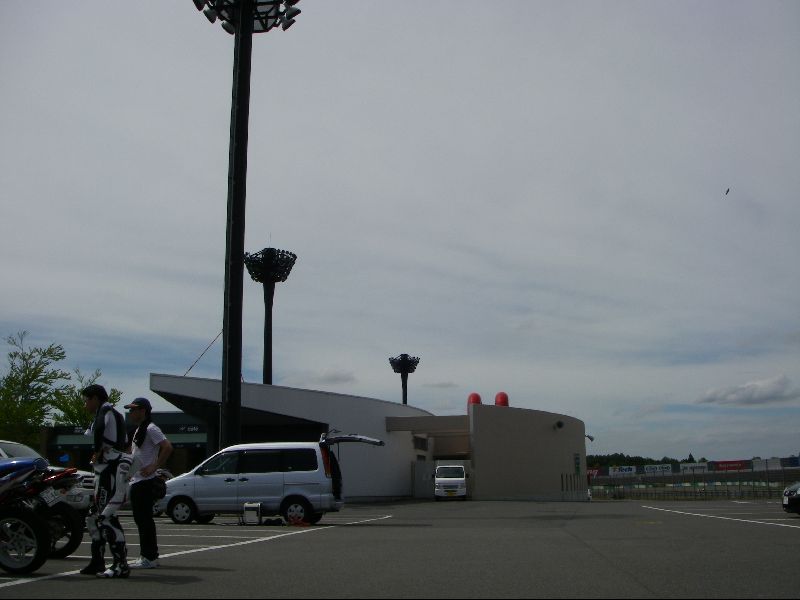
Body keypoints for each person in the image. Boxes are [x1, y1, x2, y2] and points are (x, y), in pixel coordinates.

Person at [80, 384, 132, 578]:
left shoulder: (106, 411)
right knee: (92, 518)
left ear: (95, 398)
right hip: (104, 469)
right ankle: (97, 561)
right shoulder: (113, 414)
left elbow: (101, 428)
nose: (85, 404)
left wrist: (97, 450)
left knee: (106, 517)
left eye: (86, 400)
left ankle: (121, 564)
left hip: (109, 471)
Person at [125, 397, 173, 569]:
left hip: (145, 481)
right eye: (130, 410)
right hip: (136, 480)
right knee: (140, 519)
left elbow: (167, 446)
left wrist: (154, 466)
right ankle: (147, 555)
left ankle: (150, 557)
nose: (131, 413)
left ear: (143, 411)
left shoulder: (151, 428)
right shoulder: (139, 430)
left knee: (144, 519)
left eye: (133, 409)